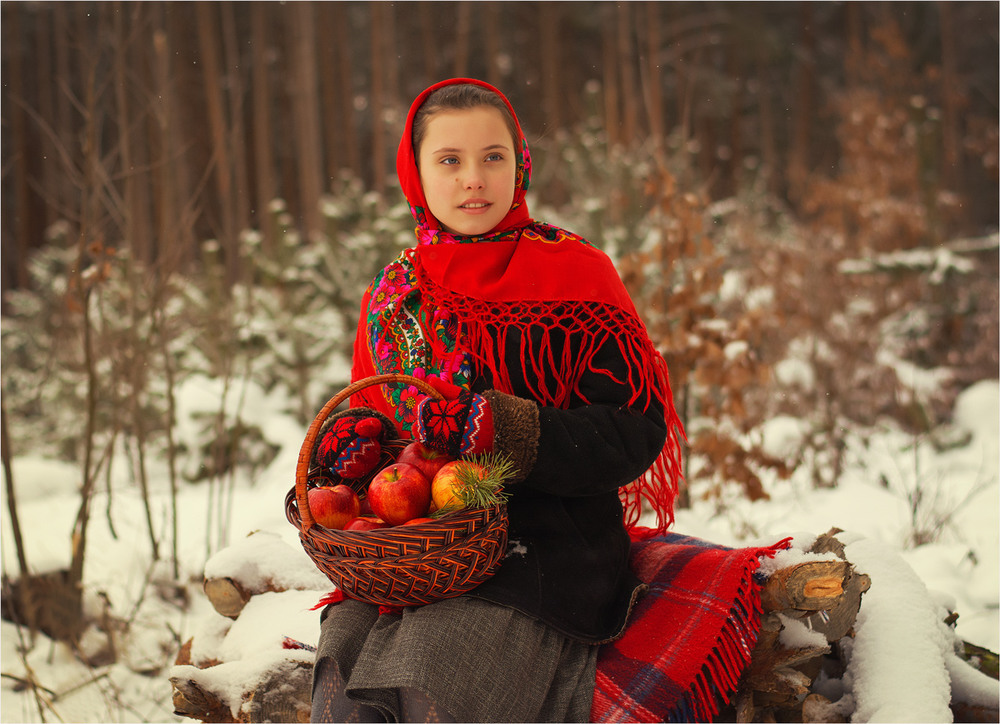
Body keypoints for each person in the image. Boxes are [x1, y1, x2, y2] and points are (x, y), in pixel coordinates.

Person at [309, 78, 684, 723]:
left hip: (546, 543)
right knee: (344, 668)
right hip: (418, 545)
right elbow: (372, 420)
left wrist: (504, 430)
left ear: (520, 165)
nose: (473, 179)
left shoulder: (577, 275)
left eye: (493, 157)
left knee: (432, 671)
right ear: (416, 174)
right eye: (449, 161)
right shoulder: (396, 292)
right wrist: (353, 452)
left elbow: (633, 429)